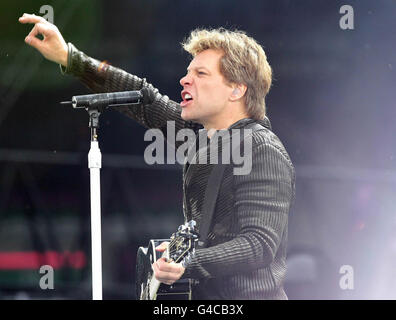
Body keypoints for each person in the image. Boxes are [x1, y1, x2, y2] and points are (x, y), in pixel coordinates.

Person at [19, 13, 295, 300]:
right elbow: (142, 98)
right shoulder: (200, 137)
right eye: (189, 72)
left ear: (237, 90)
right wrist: (69, 57)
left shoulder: (261, 148)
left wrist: (189, 262)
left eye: (201, 74)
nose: (185, 79)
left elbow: (259, 245)